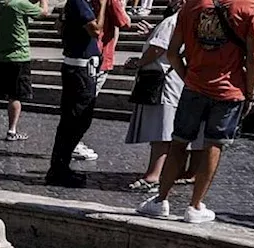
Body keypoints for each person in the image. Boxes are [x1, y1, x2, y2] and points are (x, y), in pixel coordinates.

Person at [136, 0, 254, 223]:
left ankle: (160, 200)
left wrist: (187, 77)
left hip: (194, 86)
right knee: (214, 145)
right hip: (230, 89)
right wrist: (251, 92)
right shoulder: (253, 6)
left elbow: (172, 52)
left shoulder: (191, 5)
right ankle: (195, 206)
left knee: (178, 142)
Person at [123, 0, 199, 190]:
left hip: (163, 82)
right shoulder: (189, 21)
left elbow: (159, 49)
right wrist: (153, 34)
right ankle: (175, 170)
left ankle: (153, 176)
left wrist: (138, 62)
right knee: (169, 130)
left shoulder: (172, 21)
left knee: (161, 132)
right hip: (176, 81)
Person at [75, 0, 150, 160]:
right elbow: (125, 22)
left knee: (80, 100)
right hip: (101, 55)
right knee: (86, 103)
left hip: (85, 53)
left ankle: (72, 141)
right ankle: (75, 142)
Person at [44, 0, 103, 188]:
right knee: (76, 120)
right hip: (80, 70)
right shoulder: (80, 2)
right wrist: (102, 7)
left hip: (77, 68)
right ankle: (58, 169)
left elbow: (58, 26)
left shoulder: (74, 3)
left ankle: (60, 166)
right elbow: (96, 30)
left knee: (75, 120)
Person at [0, 0, 49, 140]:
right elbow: (43, 13)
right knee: (15, 95)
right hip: (18, 56)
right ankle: (11, 131)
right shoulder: (20, 4)